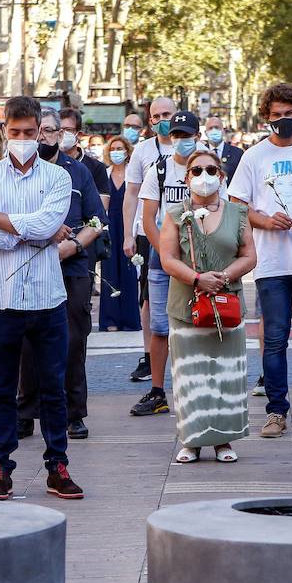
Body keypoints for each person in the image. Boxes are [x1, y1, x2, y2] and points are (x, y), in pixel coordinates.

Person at [0, 95, 82, 501]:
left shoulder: (57, 178)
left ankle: (58, 466)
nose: (22, 139)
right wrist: (34, 231)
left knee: (53, 387)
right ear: (4, 131)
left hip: (47, 297)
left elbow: (49, 222)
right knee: (2, 390)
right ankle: (0, 467)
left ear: (41, 133)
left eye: (29, 133)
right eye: (14, 132)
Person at [228, 81, 292, 438]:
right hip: (271, 264)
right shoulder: (254, 156)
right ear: (266, 118)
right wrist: (264, 220)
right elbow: (237, 204)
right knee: (273, 340)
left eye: (290, 114)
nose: (283, 120)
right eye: (276, 116)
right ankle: (276, 411)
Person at [158, 149, 257, 462]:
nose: (204, 176)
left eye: (211, 170)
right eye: (197, 170)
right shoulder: (176, 214)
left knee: (226, 374)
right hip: (187, 304)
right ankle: (192, 439)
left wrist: (224, 276)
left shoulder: (238, 213)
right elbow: (168, 259)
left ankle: (224, 441)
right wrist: (198, 278)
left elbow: (249, 255)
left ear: (222, 176)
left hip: (227, 305)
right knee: (191, 375)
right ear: (187, 178)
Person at [17, 108, 108, 440]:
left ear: (61, 135)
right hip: (27, 268)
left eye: (50, 131)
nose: (43, 137)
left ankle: (74, 414)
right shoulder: (17, 172)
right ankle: (26, 411)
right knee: (27, 342)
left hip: (72, 269)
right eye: (36, 131)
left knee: (72, 341)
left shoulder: (78, 172)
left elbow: (98, 222)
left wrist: (74, 247)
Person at [131, 105, 197, 417]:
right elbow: (148, 219)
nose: (182, 140)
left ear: (196, 137)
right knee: (160, 327)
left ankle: (195, 389)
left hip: (199, 260)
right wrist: (168, 256)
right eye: (177, 135)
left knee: (196, 326)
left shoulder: (206, 169)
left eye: (187, 135)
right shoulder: (158, 169)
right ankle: (158, 391)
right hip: (161, 259)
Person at [124, 97, 177, 386]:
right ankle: (149, 356)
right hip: (150, 236)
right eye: (155, 116)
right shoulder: (143, 151)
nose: (160, 120)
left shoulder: (195, 151)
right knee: (148, 297)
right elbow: (131, 194)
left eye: (166, 114)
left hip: (188, 237)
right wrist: (128, 234)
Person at [98, 134, 141, 332]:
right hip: (109, 226)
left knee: (129, 270)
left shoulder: (134, 174)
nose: (117, 152)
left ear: (127, 152)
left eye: (120, 149)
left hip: (128, 226)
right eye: (113, 149)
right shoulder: (104, 174)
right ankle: (110, 320)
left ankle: (130, 319)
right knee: (109, 271)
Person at [204, 115, 244, 180]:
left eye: (217, 128)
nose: (214, 131)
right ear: (205, 133)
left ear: (223, 131)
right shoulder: (200, 151)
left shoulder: (237, 153)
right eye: (210, 128)